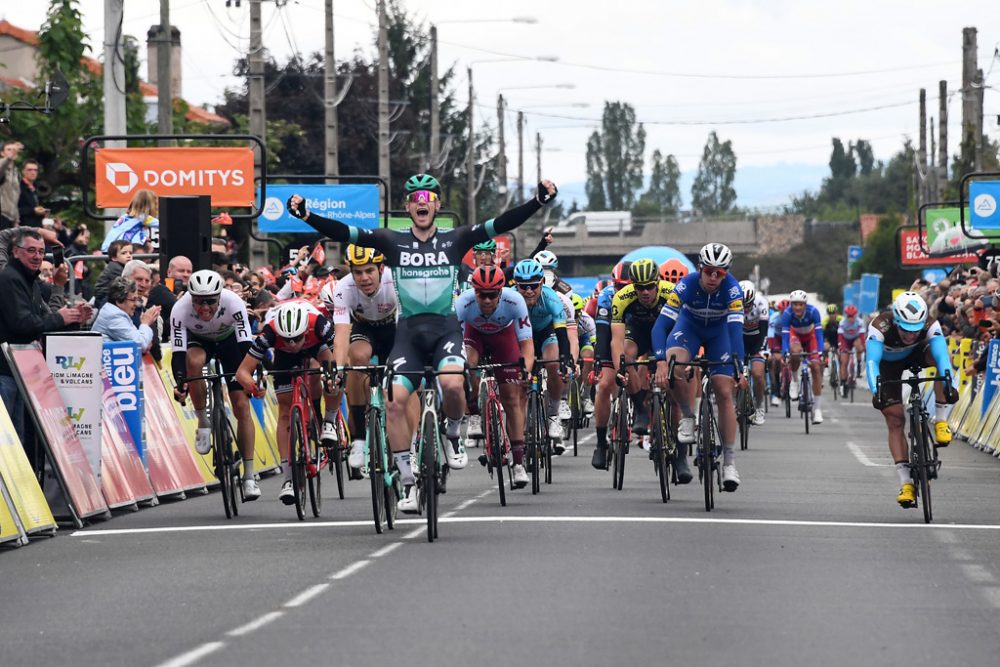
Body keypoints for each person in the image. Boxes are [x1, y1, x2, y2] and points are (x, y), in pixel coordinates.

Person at [287, 173, 557, 513]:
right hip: (408, 334)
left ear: (437, 205)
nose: (422, 203)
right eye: (415, 198)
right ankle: (408, 482)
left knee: (453, 384)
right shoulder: (391, 241)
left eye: (428, 197)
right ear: (407, 207)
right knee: (396, 400)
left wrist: (538, 201)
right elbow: (347, 232)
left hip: (445, 329)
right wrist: (308, 216)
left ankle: (454, 433)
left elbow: (501, 222)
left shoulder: (456, 239)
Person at [652, 243, 746, 491]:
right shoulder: (686, 285)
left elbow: (736, 330)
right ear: (700, 268)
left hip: (720, 334)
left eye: (720, 273)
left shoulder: (733, 290)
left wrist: (739, 365)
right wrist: (661, 360)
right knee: (675, 364)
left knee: (724, 393)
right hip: (689, 329)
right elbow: (660, 326)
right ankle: (688, 416)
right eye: (709, 271)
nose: (714, 277)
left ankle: (729, 463)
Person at [235, 300, 338, 504]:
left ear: (304, 330)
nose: (292, 344)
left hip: (317, 344)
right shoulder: (270, 334)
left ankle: (329, 421)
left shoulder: (318, 324)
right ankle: (288, 478)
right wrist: (254, 387)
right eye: (287, 339)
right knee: (284, 410)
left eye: (296, 339)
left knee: (334, 375)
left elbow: (342, 360)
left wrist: (333, 377)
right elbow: (242, 372)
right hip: (283, 357)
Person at [0, 228, 91, 453]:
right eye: (31, 250)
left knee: (17, 442)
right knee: (8, 442)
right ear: (15, 252)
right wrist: (60, 317)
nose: (37, 256)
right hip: (5, 370)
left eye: (41, 252)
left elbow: (42, 320)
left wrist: (73, 319)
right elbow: (23, 324)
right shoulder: (9, 279)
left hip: (20, 371)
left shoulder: (29, 280)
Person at [170, 270, 258, 498]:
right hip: (200, 342)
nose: (204, 308)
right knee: (193, 361)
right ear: (191, 298)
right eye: (198, 301)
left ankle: (249, 476)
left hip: (231, 343)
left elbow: (245, 345)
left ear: (220, 296)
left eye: (210, 301)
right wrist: (181, 383)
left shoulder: (234, 302)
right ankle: (203, 422)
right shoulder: (180, 309)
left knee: (241, 406)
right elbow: (178, 354)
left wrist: (252, 377)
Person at [866, 292, 957, 508]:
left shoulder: (930, 324)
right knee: (895, 419)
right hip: (888, 365)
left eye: (915, 330)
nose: (910, 335)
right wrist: (876, 390)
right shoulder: (880, 327)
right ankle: (906, 483)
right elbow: (872, 362)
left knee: (942, 367)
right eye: (905, 329)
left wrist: (948, 384)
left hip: (917, 355)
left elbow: (943, 357)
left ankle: (941, 420)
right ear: (896, 321)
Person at [456, 265, 534, 488]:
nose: (487, 300)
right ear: (474, 292)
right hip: (474, 335)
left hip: (504, 337)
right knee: (467, 365)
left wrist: (525, 370)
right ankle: (473, 410)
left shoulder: (515, 301)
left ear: (501, 291)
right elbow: (456, 344)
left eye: (492, 295)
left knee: (511, 397)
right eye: (482, 294)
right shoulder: (463, 303)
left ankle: (518, 463)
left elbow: (526, 345)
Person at [328, 245, 399, 479]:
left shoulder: (394, 279)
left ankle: (413, 437)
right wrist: (338, 369)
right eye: (358, 272)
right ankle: (358, 438)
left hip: (395, 328)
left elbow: (407, 325)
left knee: (407, 373)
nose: (364, 278)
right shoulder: (343, 287)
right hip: (364, 329)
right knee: (356, 360)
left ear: (381, 268)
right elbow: (340, 333)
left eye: (369, 271)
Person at [603, 258, 674, 459]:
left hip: (666, 332)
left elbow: (684, 331)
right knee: (626, 355)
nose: (644, 292)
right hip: (638, 332)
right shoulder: (622, 297)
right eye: (639, 287)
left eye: (650, 287)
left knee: (679, 364)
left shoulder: (672, 293)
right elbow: (616, 342)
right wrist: (620, 370)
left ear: (658, 283)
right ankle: (640, 408)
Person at [780, 289, 825, 424]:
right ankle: (794, 381)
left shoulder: (813, 312)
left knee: (816, 368)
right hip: (796, 336)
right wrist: (785, 352)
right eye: (795, 304)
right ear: (791, 305)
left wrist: (821, 352)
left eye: (800, 304)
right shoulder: (787, 314)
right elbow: (785, 337)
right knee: (795, 351)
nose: (798, 307)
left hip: (811, 337)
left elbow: (819, 335)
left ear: (805, 305)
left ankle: (817, 409)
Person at [90, 277, 160, 353]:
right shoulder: (114, 316)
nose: (136, 304)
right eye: (133, 300)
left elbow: (145, 344)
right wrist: (145, 323)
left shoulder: (117, 313)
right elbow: (140, 345)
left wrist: (145, 341)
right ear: (119, 301)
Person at [740, 280, 770, 425]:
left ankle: (759, 407)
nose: (745, 309)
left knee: (757, 374)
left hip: (758, 340)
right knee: (733, 374)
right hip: (741, 340)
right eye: (742, 305)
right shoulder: (732, 303)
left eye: (748, 305)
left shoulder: (761, 302)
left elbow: (764, 331)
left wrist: (761, 350)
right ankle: (736, 403)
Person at [147, 255, 192, 339]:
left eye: (189, 271)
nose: (186, 274)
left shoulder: (190, 293)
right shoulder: (160, 290)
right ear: (169, 272)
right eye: (181, 271)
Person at [102, 188, 158, 253]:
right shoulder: (143, 217)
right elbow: (164, 224)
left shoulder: (124, 217)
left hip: (107, 249)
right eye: (155, 204)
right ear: (150, 206)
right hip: (119, 251)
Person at [93, 240, 134, 309]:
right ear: (114, 258)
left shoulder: (122, 267)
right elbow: (126, 282)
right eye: (124, 253)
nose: (129, 256)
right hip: (104, 299)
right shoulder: (115, 268)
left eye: (130, 253)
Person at [17, 159, 47, 228]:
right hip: (22, 229)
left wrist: (42, 212)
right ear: (23, 171)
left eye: (35, 170)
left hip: (36, 228)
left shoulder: (36, 188)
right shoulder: (18, 187)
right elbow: (13, 210)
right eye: (29, 170)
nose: (33, 172)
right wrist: (33, 210)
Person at [0, 140, 23, 229]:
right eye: (9, 149)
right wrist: (9, 157)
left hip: (10, 219)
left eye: (14, 150)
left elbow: (15, 198)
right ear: (2, 153)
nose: (13, 151)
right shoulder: (2, 167)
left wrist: (16, 220)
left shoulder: (16, 173)